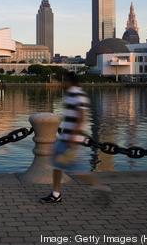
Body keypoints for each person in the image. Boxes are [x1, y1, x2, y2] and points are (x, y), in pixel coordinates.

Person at [40, 71, 111, 204]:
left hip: (70, 140)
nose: (62, 83)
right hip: (66, 138)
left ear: (69, 82)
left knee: (76, 169)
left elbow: (81, 117)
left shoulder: (76, 94)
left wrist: (73, 136)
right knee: (57, 164)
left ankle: (100, 187)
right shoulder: (73, 94)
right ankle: (56, 194)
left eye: (64, 81)